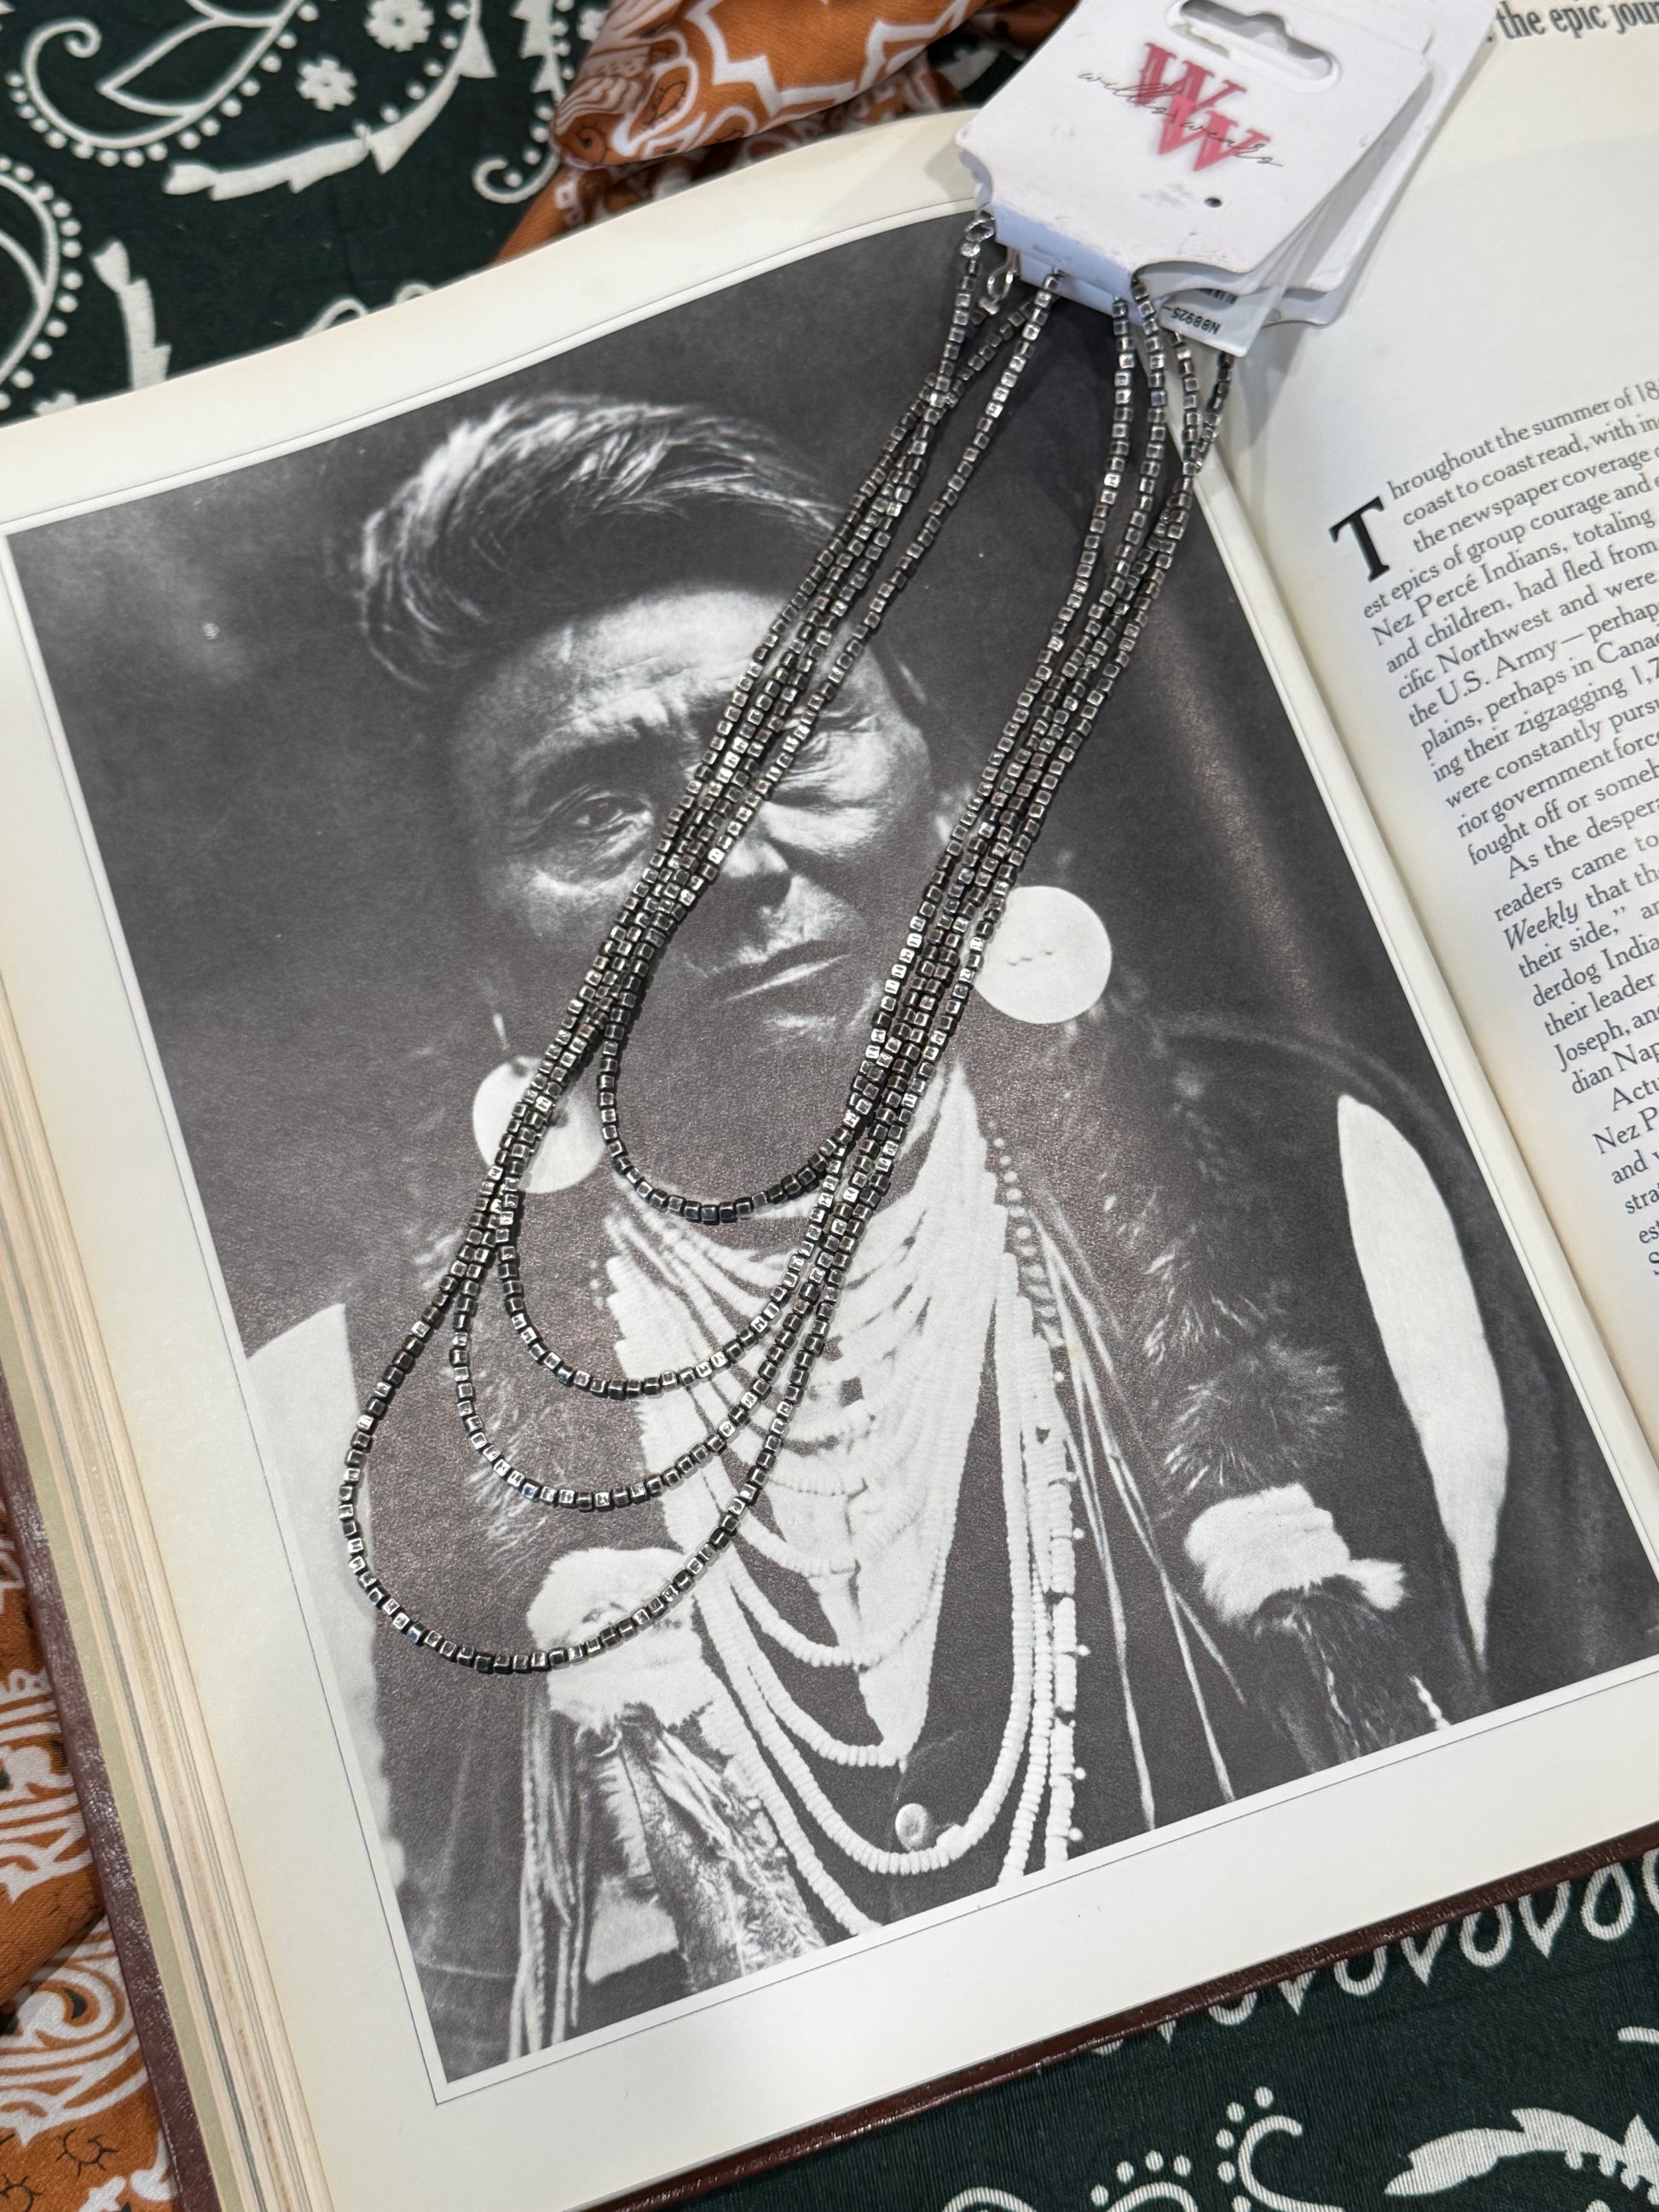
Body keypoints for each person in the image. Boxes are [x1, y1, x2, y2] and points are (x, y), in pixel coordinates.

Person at [327, 390, 1656, 2075]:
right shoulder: (385, 1410)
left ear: (952, 782)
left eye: (793, 735)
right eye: (596, 809)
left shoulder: (1318, 1173)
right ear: (486, 951)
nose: (729, 861)